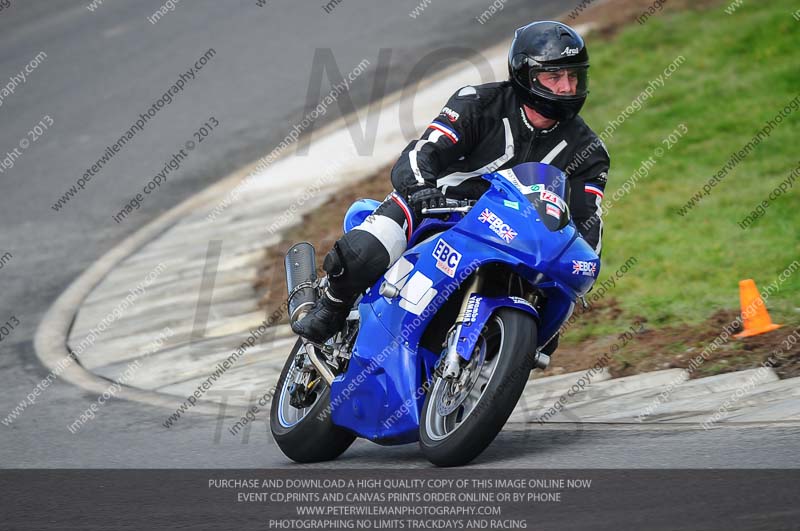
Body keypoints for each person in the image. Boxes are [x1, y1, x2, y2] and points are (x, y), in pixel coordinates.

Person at [292, 20, 610, 345]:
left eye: (574, 76)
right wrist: (419, 188)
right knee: (365, 252)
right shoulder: (476, 103)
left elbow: (587, 225)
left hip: (513, 240)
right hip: (437, 208)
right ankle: (330, 308)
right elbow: (424, 151)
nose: (566, 88)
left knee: (553, 315)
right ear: (525, 75)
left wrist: (578, 268)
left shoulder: (590, 152)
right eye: (554, 77)